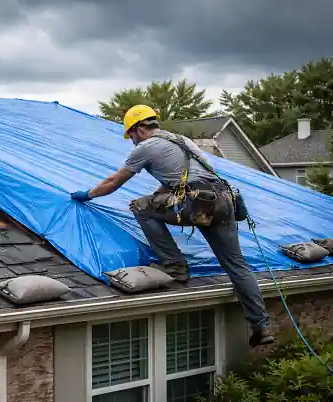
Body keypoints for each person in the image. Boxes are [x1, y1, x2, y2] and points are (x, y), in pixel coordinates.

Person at [70, 104, 274, 347]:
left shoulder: (146, 147)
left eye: (131, 135)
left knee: (140, 206)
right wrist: (159, 195)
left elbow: (115, 181)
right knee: (237, 265)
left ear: (139, 129)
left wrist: (89, 194)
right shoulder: (182, 141)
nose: (132, 141)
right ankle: (261, 327)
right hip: (224, 200)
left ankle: (176, 267)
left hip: (197, 203)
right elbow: (182, 178)